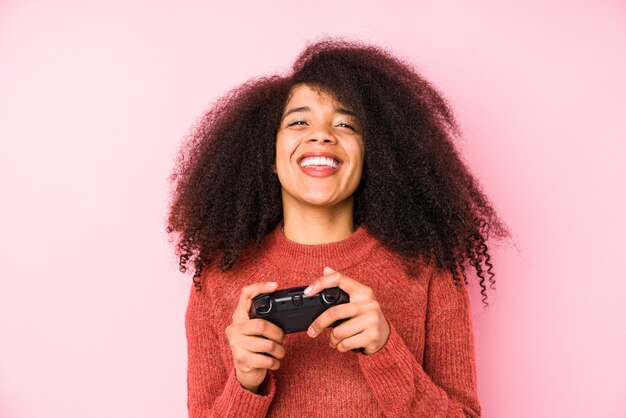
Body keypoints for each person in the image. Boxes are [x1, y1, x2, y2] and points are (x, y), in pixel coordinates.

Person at [166, 38, 510, 417]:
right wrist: (246, 383)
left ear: (371, 156)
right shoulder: (218, 279)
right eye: (299, 121)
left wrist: (385, 350)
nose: (322, 134)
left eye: (346, 124)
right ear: (269, 156)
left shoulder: (429, 268)